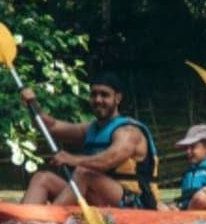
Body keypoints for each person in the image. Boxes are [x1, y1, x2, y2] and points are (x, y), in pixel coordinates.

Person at [19, 72, 160, 209]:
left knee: (83, 173)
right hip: (99, 196)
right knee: (42, 178)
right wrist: (32, 105)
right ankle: (24, 221)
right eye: (94, 95)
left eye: (104, 95)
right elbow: (51, 126)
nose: (98, 100)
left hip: (136, 202)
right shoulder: (91, 129)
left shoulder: (129, 132)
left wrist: (71, 159)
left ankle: (48, 221)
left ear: (117, 98)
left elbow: (107, 161)